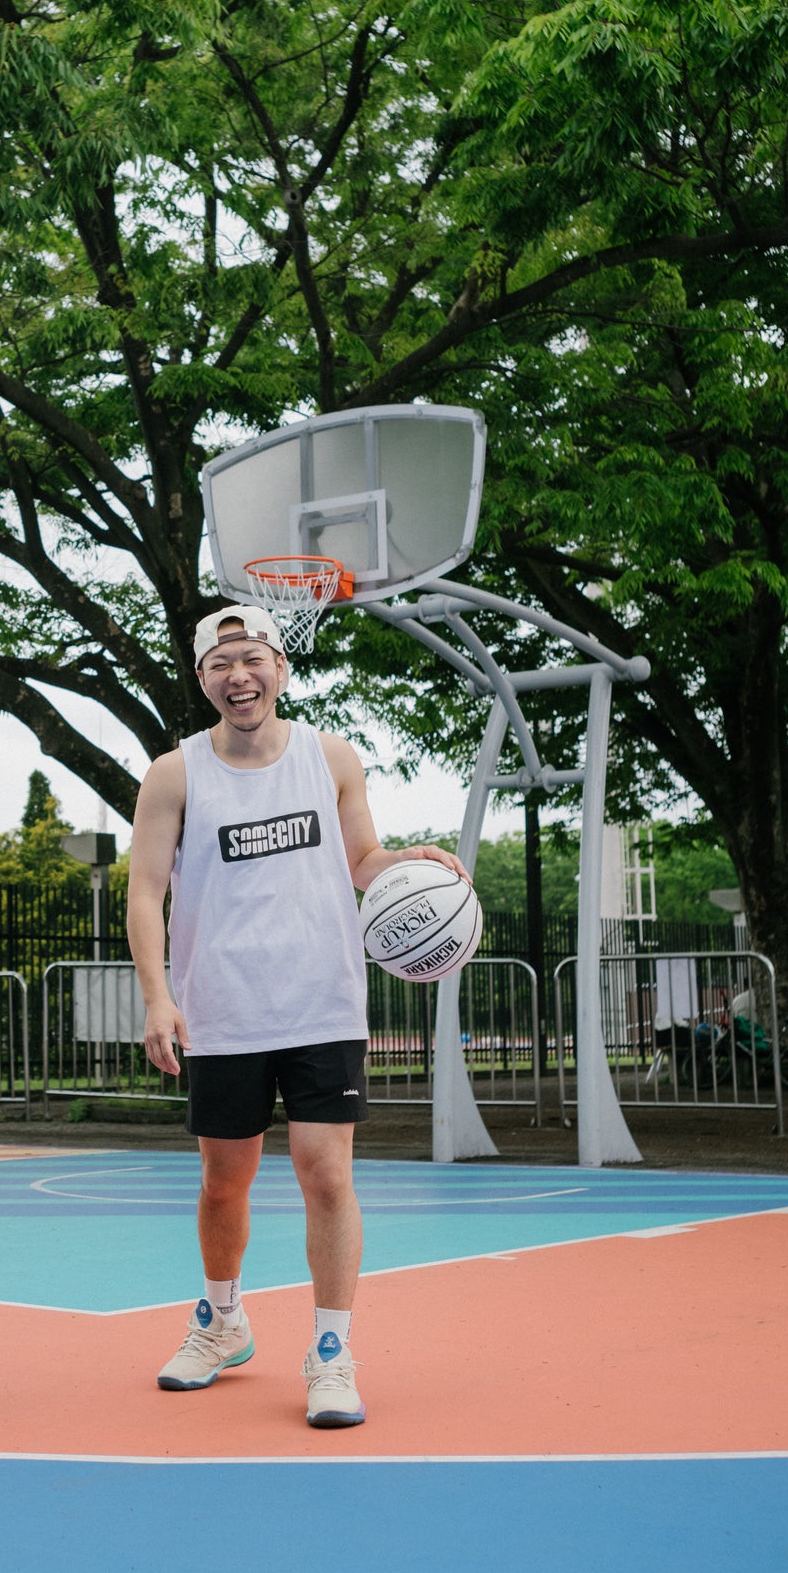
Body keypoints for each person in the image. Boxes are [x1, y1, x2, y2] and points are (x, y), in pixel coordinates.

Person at [127, 603, 467, 1429]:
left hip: (319, 1001)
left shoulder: (328, 756)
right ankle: (221, 1320)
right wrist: (157, 996)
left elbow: (359, 860)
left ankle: (329, 1351)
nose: (238, 675)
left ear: (280, 667)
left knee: (326, 1173)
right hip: (223, 1006)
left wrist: (404, 862)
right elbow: (143, 888)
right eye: (220, 663)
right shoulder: (175, 773)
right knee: (224, 1182)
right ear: (202, 678)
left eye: (251, 659)